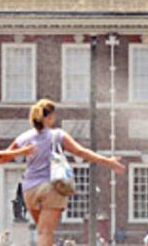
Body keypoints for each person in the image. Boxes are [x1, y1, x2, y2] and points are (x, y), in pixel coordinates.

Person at [9, 99, 126, 246]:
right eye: (53, 116)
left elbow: (5, 155)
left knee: (42, 231)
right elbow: (81, 152)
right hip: (52, 187)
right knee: (45, 232)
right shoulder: (57, 135)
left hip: (29, 190)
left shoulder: (24, 137)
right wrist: (108, 161)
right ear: (50, 117)